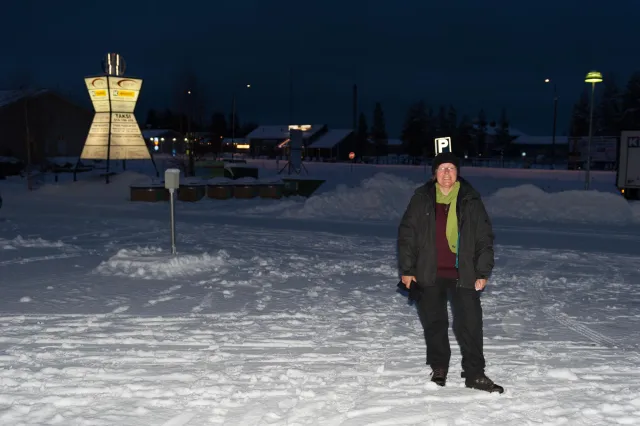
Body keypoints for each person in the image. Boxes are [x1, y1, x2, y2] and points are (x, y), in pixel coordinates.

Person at [397, 152, 503, 393]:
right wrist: (407, 270)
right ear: (434, 173)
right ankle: (439, 368)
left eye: (451, 169)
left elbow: (484, 238)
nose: (446, 174)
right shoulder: (422, 198)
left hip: (463, 273)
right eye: (442, 168)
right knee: (434, 323)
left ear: (458, 172)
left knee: (471, 324)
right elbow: (407, 236)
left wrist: (483, 271)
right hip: (428, 273)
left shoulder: (470, 199)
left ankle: (475, 374)